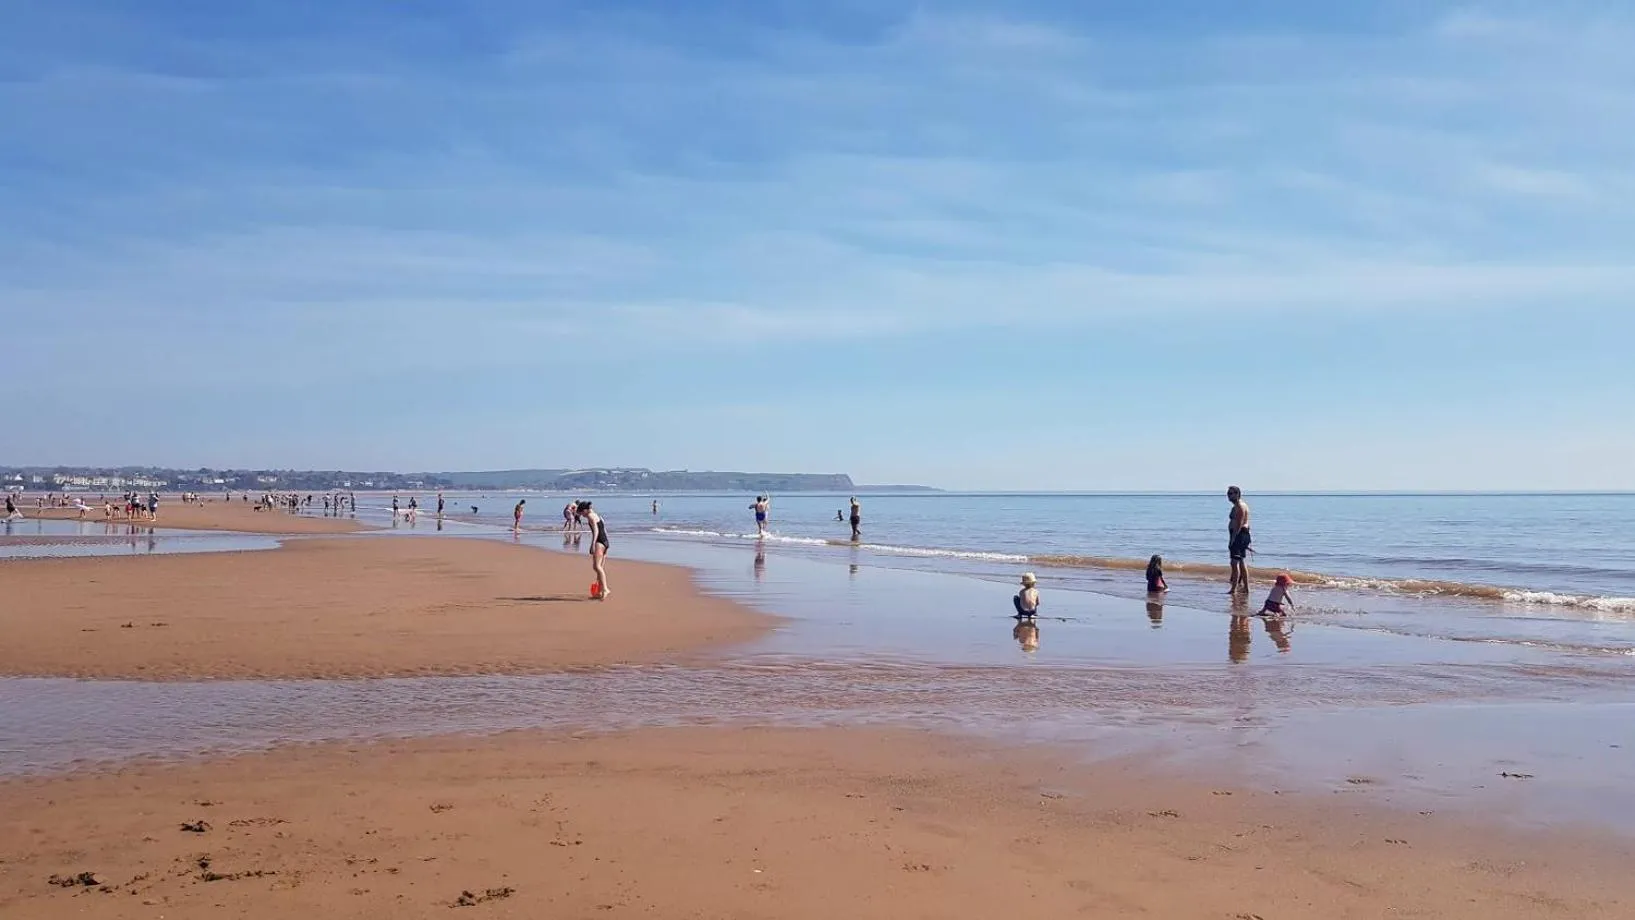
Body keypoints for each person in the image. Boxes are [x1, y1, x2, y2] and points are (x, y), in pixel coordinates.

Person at [580, 500, 610, 600]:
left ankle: (605, 589)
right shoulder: (597, 515)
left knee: (597, 567)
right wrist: (607, 543)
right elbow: (604, 528)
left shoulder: (590, 516)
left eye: (581, 513)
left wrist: (592, 544)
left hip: (599, 542)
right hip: (605, 541)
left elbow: (596, 530)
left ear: (584, 510)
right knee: (599, 567)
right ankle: (600, 591)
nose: (582, 516)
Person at [1227, 486, 1252, 593]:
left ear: (1237, 494)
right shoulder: (1237, 506)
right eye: (1228, 494)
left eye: (1231, 493)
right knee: (1240, 561)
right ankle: (1245, 588)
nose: (1229, 496)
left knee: (1234, 562)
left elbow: (1239, 523)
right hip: (1241, 534)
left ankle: (1234, 588)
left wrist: (1233, 539)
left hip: (1239, 535)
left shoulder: (1240, 506)